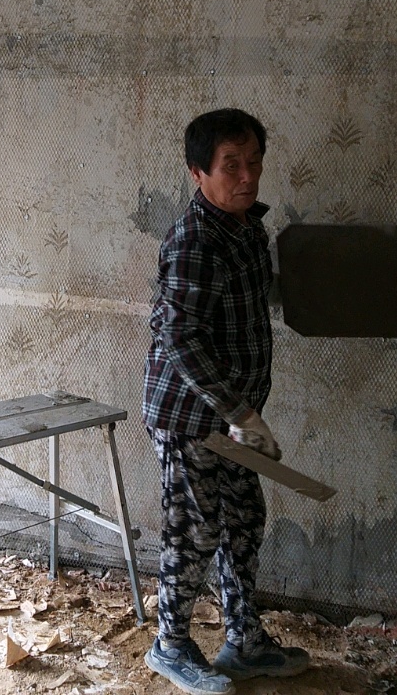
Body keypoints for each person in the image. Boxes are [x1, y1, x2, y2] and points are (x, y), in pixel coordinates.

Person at [142, 108, 309, 694]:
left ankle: (244, 642)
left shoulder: (246, 228)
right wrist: (239, 412)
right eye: (231, 165)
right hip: (190, 418)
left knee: (243, 522)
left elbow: (251, 300)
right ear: (198, 173)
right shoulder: (194, 241)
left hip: (236, 418)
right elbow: (179, 337)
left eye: (254, 163)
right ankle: (170, 645)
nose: (247, 177)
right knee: (196, 530)